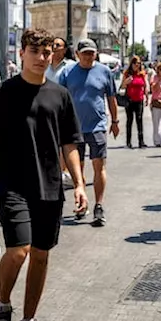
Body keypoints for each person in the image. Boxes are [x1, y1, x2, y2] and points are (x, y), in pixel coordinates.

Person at [0, 28, 86, 321]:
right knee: (19, 250)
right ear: (21, 53)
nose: (41, 58)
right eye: (35, 51)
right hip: (11, 186)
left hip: (50, 187)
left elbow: (70, 144)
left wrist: (79, 183)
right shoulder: (1, 94)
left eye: (47, 52)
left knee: (40, 255)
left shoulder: (60, 95)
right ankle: (3, 304)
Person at [57, 39, 120, 226]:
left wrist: (115, 121)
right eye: (84, 53)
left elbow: (111, 98)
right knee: (79, 168)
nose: (88, 56)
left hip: (97, 126)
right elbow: (60, 99)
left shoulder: (105, 71)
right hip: (73, 128)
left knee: (99, 165)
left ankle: (98, 205)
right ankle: (81, 202)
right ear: (77, 54)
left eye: (91, 53)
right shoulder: (67, 72)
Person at [119, 56, 149, 148]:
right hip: (129, 100)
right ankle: (128, 142)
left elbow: (145, 86)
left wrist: (147, 97)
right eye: (135, 63)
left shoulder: (142, 74)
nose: (137, 65)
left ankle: (141, 141)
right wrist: (126, 82)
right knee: (129, 121)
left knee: (139, 120)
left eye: (139, 64)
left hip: (139, 100)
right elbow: (122, 87)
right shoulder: (127, 74)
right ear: (131, 64)